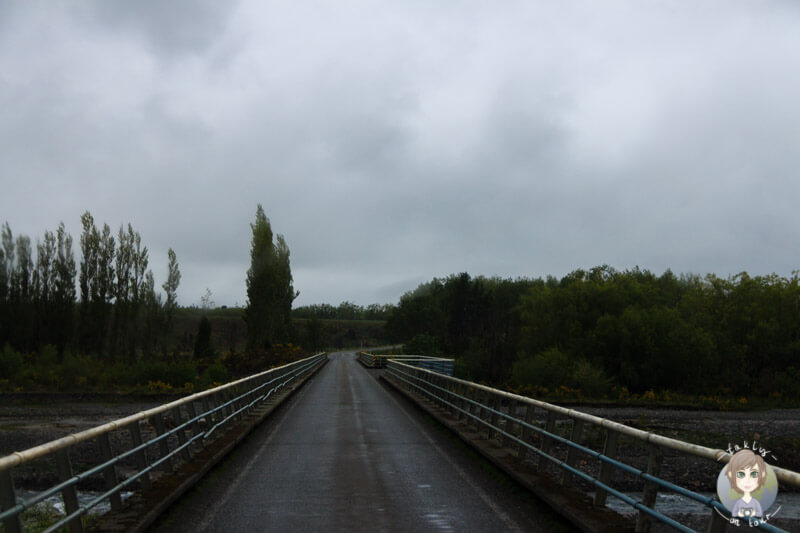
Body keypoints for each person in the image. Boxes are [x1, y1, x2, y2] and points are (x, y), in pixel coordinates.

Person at [725, 449, 767, 518]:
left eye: (754, 474)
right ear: (730, 475)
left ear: (762, 475)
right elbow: (734, 513)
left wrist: (753, 513)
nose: (747, 480)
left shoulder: (755, 502)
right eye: (741, 474)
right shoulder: (739, 502)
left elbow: (759, 513)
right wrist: (739, 513)